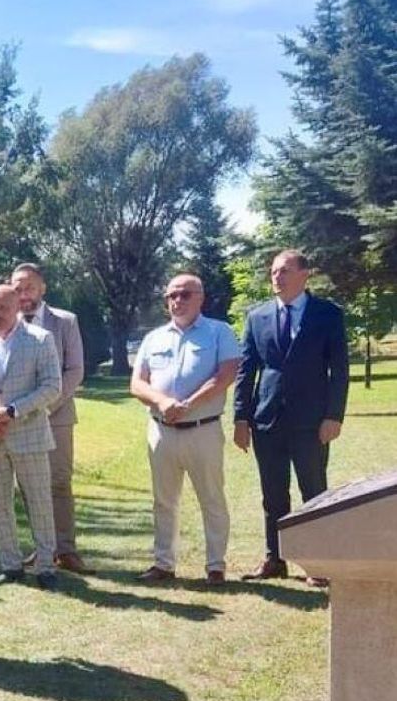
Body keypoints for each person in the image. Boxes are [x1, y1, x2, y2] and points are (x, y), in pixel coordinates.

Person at [233, 250, 350, 584]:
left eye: (284, 271)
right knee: (272, 494)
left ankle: (318, 563)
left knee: (314, 492)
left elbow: (339, 371)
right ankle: (275, 558)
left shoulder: (327, 314)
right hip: (267, 419)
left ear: (304, 275)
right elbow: (246, 371)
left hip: (312, 422)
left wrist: (334, 415)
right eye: (273, 272)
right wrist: (241, 418)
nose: (277, 277)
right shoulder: (257, 317)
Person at [130, 273, 241, 584]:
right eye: (171, 296)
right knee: (164, 500)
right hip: (161, 430)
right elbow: (137, 383)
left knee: (211, 498)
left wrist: (188, 404)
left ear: (200, 298)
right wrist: (163, 402)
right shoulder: (154, 338)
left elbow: (226, 375)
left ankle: (216, 566)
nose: (177, 301)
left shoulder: (219, 332)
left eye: (185, 295)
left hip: (202, 430)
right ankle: (163, 564)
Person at [0, 284, 62, 589]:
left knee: (39, 501)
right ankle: (10, 565)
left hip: (29, 433)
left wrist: (12, 411)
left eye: (2, 308)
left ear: (17, 308)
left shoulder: (40, 340)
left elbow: (52, 386)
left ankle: (46, 566)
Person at [10, 263, 88, 572]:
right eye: (17, 288)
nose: (23, 294)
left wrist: (46, 404)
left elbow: (75, 370)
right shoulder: (7, 324)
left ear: (42, 288)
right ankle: (43, 548)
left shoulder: (65, 322)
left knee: (58, 483)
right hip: (19, 420)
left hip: (57, 416)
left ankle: (66, 550)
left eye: (29, 287)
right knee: (28, 485)